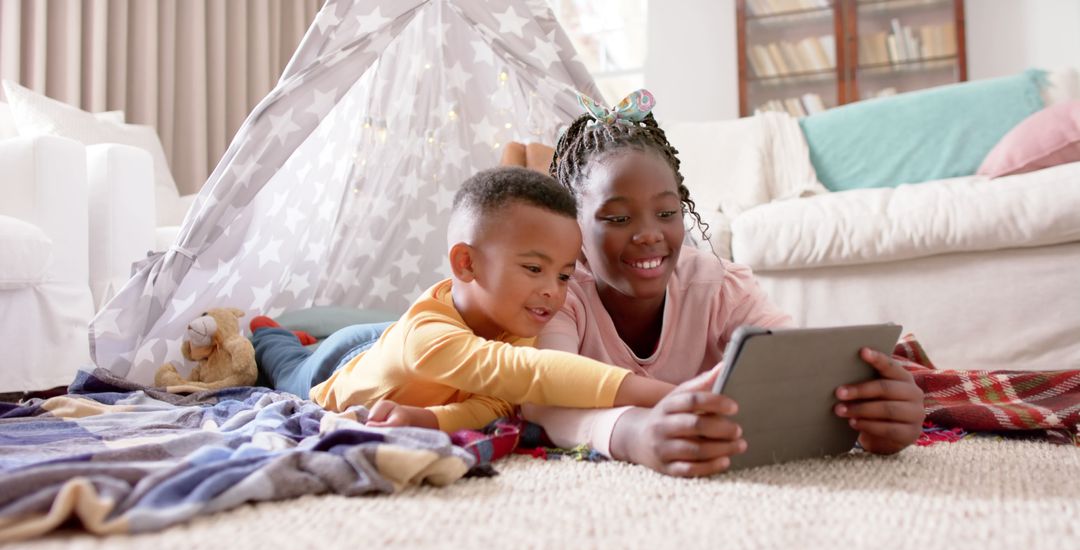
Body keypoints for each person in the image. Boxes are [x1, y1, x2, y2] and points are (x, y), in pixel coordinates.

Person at [523, 89, 925, 477]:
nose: (649, 234)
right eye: (617, 218)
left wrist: (868, 414)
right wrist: (632, 434)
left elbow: (794, 370)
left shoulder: (717, 286)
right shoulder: (557, 297)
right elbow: (546, 401)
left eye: (666, 213)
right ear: (573, 231)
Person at [251, 166, 683, 433]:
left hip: (412, 344)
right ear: (467, 264)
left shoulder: (517, 330)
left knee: (400, 338)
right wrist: (669, 395)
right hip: (342, 367)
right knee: (283, 364)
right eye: (534, 269)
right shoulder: (429, 337)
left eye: (565, 274)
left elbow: (495, 403)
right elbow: (531, 374)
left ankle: (307, 336)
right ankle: (272, 332)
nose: (553, 289)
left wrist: (434, 420)